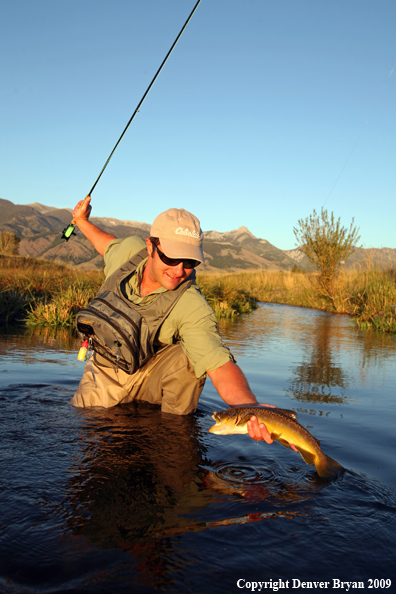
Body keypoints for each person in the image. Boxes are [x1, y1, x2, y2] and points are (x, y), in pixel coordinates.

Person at [70, 196, 287, 445]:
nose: (179, 270)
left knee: (189, 357)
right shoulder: (129, 251)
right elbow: (106, 245)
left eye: (190, 262)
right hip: (104, 371)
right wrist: (82, 221)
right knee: (86, 434)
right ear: (150, 246)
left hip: (148, 376)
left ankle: (171, 441)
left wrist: (250, 409)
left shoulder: (191, 304)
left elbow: (217, 364)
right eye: (172, 258)